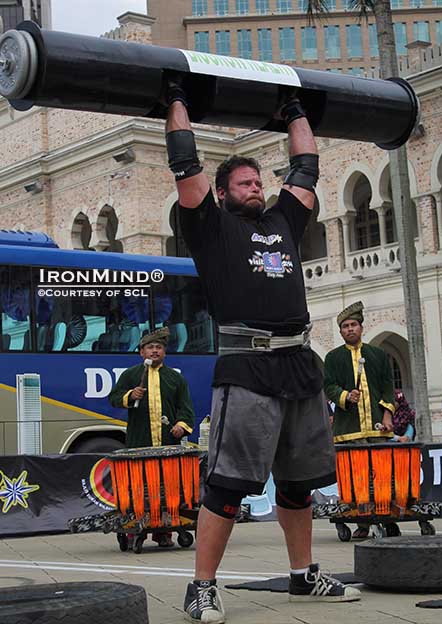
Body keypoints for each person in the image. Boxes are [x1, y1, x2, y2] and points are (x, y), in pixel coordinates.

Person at [163, 78, 360, 622]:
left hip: (299, 363)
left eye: (257, 181)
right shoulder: (209, 227)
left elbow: (306, 168)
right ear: (223, 193)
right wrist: (175, 99)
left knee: (298, 486)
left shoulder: (282, 223)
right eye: (244, 183)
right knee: (228, 486)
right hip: (246, 365)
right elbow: (185, 166)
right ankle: (201, 586)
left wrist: (294, 109)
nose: (254, 187)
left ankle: (302, 575)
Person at [109, 326, 195, 547]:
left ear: (164, 353)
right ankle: (134, 531)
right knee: (139, 489)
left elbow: (186, 409)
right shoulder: (130, 375)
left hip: (168, 443)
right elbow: (114, 398)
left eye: (158, 348)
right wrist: (130, 395)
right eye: (150, 348)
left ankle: (164, 532)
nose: (154, 351)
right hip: (140, 442)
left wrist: (180, 426)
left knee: (168, 488)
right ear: (141, 352)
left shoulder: (175, 379)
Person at [324, 301, 395, 539]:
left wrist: (387, 414)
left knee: (383, 476)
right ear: (341, 331)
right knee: (357, 478)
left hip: (377, 428)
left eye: (354, 324)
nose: (350, 329)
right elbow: (328, 386)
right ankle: (362, 523)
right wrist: (346, 395)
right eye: (345, 326)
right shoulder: (333, 358)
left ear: (361, 328)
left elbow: (388, 387)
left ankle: (388, 518)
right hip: (349, 430)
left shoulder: (378, 355)